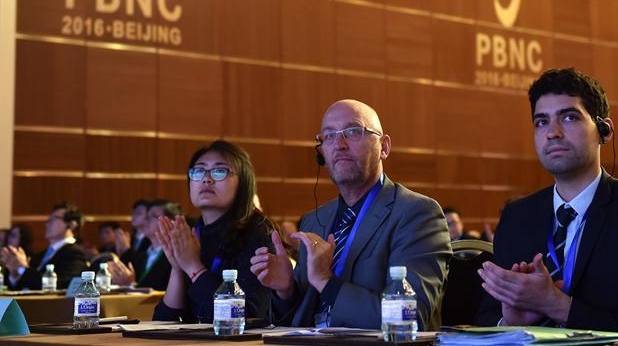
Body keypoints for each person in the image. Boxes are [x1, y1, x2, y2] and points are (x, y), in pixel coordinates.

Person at [475, 68, 618, 344]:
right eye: (541, 122)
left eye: (569, 117)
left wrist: (557, 305)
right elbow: (484, 321)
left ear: (605, 130)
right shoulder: (518, 217)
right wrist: (510, 322)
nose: (552, 133)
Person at [250, 99, 451, 330]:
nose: (339, 144)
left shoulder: (417, 214)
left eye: (353, 131)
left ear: (384, 147)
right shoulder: (315, 219)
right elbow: (297, 320)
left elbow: (410, 318)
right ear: (321, 152)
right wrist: (286, 291)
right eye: (329, 136)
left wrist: (327, 283)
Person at [153, 141, 276, 322]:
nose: (206, 179)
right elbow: (165, 322)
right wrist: (178, 268)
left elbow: (245, 317)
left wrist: (194, 268)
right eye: (199, 171)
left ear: (243, 182)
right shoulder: (194, 233)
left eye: (219, 171)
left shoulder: (258, 233)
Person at [2, 202, 89, 289]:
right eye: (49, 219)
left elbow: (59, 285)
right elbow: (27, 283)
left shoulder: (75, 254)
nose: (47, 223)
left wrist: (22, 268)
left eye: (54, 219)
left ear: (71, 225)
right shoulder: (41, 254)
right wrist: (15, 274)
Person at [110, 199, 181, 290]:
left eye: (152, 216)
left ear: (171, 221)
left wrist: (130, 285)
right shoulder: (144, 253)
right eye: (146, 216)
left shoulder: (175, 255)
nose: (145, 221)